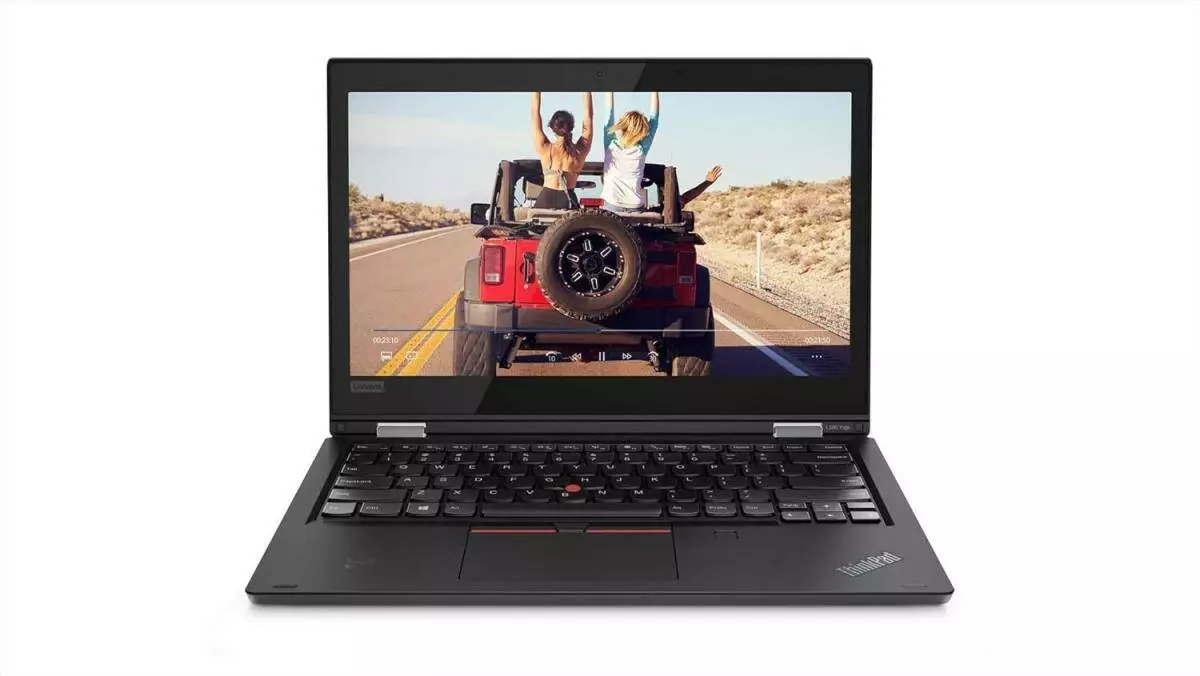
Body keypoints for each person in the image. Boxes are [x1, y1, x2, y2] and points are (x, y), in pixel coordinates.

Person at [531, 92, 593, 209]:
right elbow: (588, 117)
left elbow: (535, 114)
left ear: (553, 127)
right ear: (571, 127)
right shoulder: (579, 151)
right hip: (568, 200)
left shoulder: (544, 148)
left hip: (545, 199)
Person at [600, 91, 659, 213]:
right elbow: (654, 118)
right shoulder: (641, 148)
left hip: (612, 203)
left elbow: (608, 112)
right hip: (635, 205)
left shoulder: (610, 144)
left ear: (622, 125)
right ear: (642, 130)